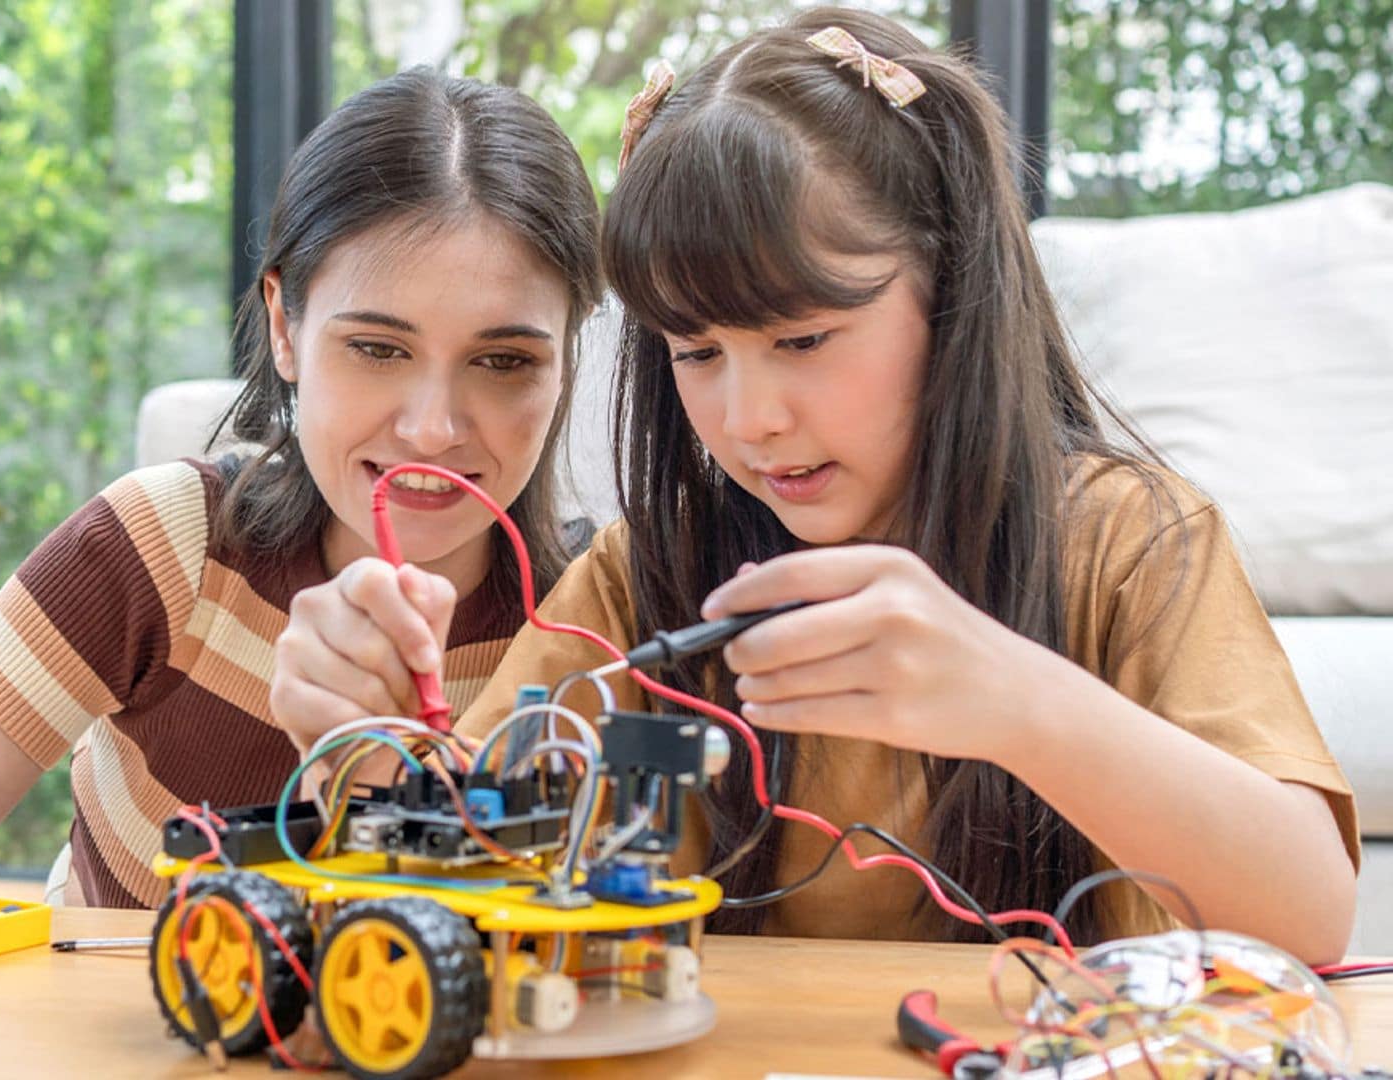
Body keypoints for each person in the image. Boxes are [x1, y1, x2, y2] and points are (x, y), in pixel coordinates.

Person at [268, 9, 1358, 961]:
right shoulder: (644, 577)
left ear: (953, 290)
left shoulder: (1126, 543)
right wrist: (358, 748)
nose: (749, 420)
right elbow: (464, 884)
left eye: (802, 338)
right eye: (696, 352)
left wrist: (1021, 702)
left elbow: (1308, 917)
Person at [0, 67, 601, 908]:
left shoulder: (597, 624)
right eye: (378, 348)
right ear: (285, 327)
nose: (433, 428)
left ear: (565, 366)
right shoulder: (163, 547)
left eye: (504, 362)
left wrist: (381, 769)